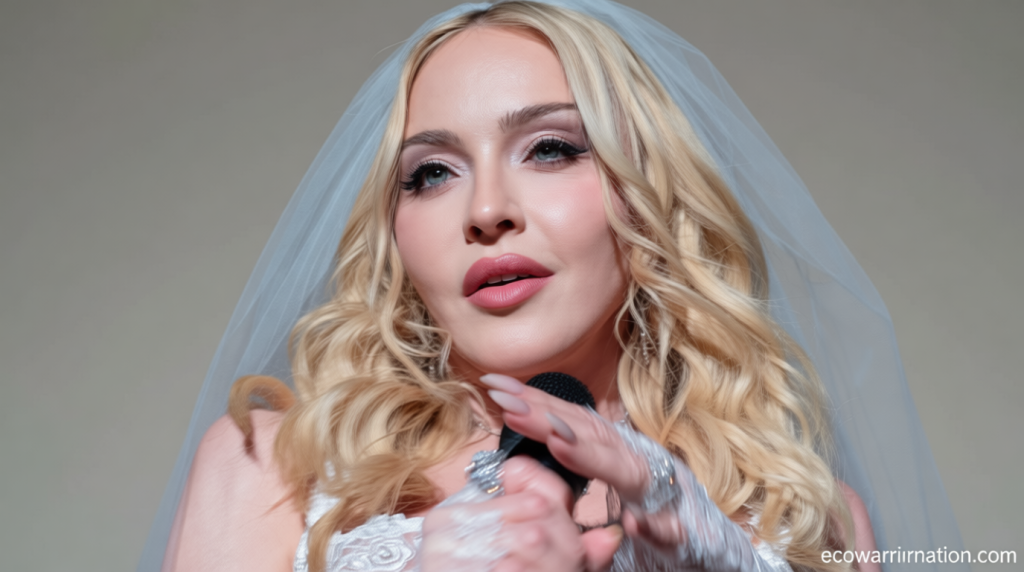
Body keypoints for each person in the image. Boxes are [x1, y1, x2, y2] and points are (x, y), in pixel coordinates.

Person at [139, 1, 966, 571]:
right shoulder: (273, 467)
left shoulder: (806, 518)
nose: (486, 211)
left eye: (550, 149)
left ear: (648, 195)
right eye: (430, 173)